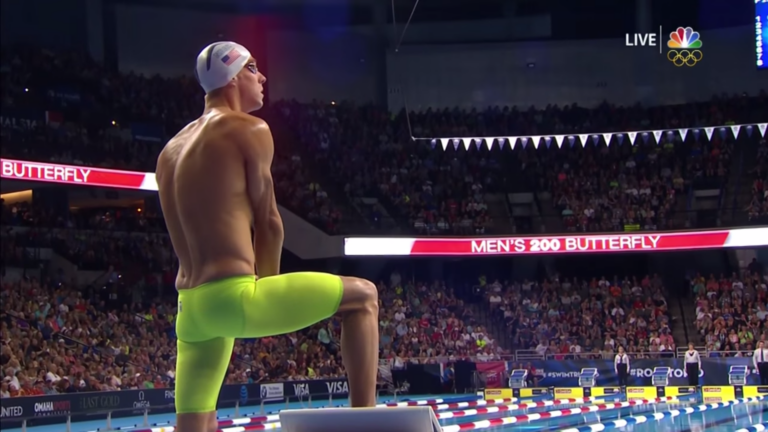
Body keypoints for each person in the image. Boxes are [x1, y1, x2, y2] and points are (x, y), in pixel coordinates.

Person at [156, 41, 379, 432]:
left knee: (195, 424)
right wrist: (268, 288)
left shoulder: (169, 152)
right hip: (235, 297)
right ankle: (365, 424)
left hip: (190, 310)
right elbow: (270, 222)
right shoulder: (250, 128)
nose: (262, 77)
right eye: (253, 68)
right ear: (231, 77)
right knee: (363, 297)